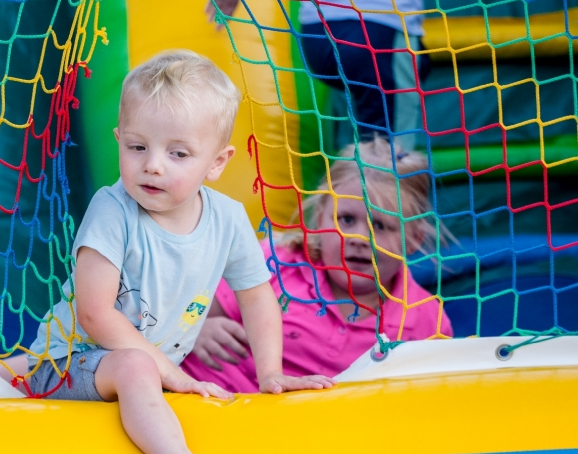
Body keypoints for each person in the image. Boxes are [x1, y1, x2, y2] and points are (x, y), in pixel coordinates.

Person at [12, 50, 331, 454]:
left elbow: (257, 295)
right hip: (70, 361)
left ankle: (12, 369)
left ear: (217, 162)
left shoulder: (227, 218)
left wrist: (271, 372)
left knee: (137, 367)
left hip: (131, 365)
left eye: (177, 154)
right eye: (137, 147)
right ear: (118, 140)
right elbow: (94, 314)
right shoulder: (111, 210)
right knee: (135, 367)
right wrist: (171, 373)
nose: (153, 166)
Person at [207, 0, 547, 147]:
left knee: (371, 136)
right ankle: (378, 226)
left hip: (317, 33)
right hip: (376, 31)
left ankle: (352, 212)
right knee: (392, 152)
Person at [182, 139, 453, 393]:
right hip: (217, 400)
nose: (359, 238)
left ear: (414, 239)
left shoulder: (425, 319)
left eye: (380, 225)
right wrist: (197, 331)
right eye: (346, 219)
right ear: (320, 218)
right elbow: (186, 311)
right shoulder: (276, 263)